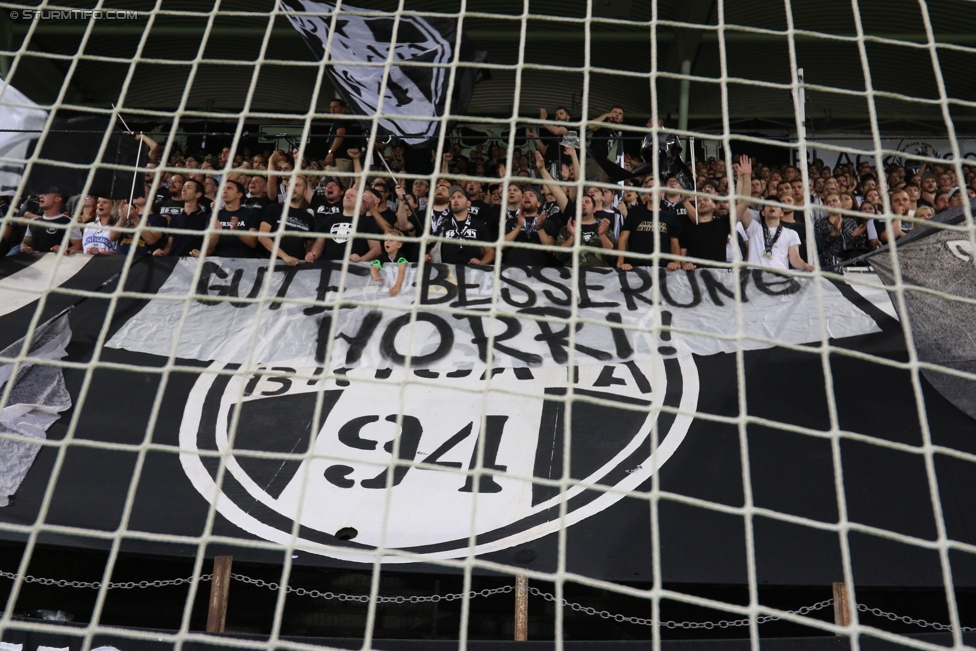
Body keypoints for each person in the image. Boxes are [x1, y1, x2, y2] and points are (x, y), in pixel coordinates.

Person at [735, 157, 813, 272]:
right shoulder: (754, 228)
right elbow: (741, 203)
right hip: (754, 280)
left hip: (779, 279)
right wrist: (744, 178)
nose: (772, 207)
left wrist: (806, 266)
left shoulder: (791, 233)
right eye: (768, 205)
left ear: (782, 212)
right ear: (763, 212)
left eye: (776, 205)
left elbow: (795, 259)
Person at [616, 181, 683, 270]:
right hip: (635, 267)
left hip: (662, 268)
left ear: (662, 193)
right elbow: (623, 239)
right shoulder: (634, 213)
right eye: (649, 187)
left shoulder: (670, 216)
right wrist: (620, 262)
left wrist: (676, 263)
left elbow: (674, 243)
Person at [307, 186, 381, 263]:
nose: (347, 197)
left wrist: (362, 259)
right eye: (346, 195)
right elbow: (319, 244)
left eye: (352, 196)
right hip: (329, 267)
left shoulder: (367, 222)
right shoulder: (330, 219)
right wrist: (313, 254)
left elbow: (376, 249)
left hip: (354, 269)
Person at [257, 176, 316, 266]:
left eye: (297, 185)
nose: (292, 188)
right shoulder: (273, 209)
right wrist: (285, 257)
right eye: (290, 185)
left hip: (298, 267)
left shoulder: (309, 218)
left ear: (305, 191)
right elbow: (262, 237)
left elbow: (308, 246)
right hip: (274, 265)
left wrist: (308, 255)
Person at [434, 185, 495, 266]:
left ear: (468, 203)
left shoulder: (478, 225)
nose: (455, 200)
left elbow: (490, 252)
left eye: (459, 197)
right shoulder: (443, 226)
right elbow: (434, 251)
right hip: (448, 274)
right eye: (453, 198)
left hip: (472, 273)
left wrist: (481, 263)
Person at [153, 179, 210, 257]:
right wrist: (162, 252)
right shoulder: (175, 218)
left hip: (194, 262)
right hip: (173, 262)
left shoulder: (206, 219)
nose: (183, 189)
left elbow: (210, 245)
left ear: (198, 194)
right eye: (183, 187)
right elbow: (170, 245)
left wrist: (201, 253)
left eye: (189, 187)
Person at [203, 180, 260, 258]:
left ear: (239, 195)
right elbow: (207, 250)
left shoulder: (252, 213)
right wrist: (217, 232)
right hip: (219, 263)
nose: (224, 191)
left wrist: (236, 231)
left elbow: (253, 242)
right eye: (223, 189)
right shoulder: (215, 215)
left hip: (245, 262)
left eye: (229, 188)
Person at [554, 194, 615, 267]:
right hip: (573, 274)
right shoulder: (567, 229)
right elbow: (558, 254)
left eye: (587, 202)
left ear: (594, 209)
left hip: (600, 274)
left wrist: (602, 235)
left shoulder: (604, 227)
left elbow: (612, 255)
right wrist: (572, 237)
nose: (583, 204)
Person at [19, 191, 83, 255]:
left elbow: (79, 245)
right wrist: (25, 247)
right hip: (36, 261)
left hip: (59, 262)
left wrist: (65, 250)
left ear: (57, 199)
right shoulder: (33, 221)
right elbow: (25, 243)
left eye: (46, 194)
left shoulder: (69, 222)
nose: (40, 196)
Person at [814, 192, 866, 268]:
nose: (831, 204)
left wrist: (857, 237)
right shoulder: (819, 224)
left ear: (841, 203)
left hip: (849, 264)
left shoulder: (850, 222)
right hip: (829, 265)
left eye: (834, 201)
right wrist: (834, 232)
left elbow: (859, 246)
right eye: (828, 202)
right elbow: (820, 247)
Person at [370, 229, 409, 297]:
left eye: (391, 240)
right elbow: (374, 268)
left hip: (397, 287)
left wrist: (396, 286)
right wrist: (376, 276)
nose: (387, 242)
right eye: (386, 240)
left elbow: (401, 272)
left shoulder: (401, 257)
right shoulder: (381, 257)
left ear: (399, 245)